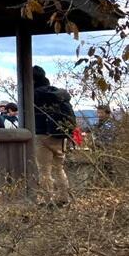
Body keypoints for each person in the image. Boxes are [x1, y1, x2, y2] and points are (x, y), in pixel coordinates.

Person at [33, 65, 75, 207]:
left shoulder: (34, 94)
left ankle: (47, 200)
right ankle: (63, 198)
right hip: (61, 135)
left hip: (42, 135)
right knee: (59, 168)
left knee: (44, 170)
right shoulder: (59, 94)